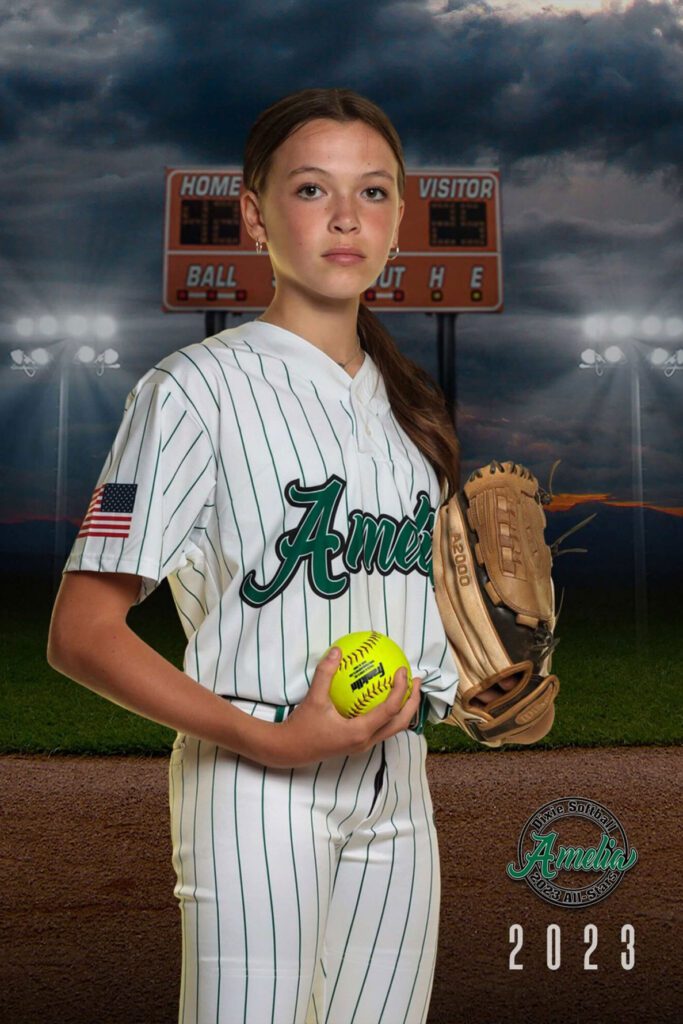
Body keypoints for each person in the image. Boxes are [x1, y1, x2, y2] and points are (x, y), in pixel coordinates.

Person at [48, 87, 464, 1024]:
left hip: (398, 780)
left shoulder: (415, 416)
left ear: (401, 218)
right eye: (313, 190)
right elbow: (81, 632)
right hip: (252, 778)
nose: (347, 218)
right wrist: (274, 742)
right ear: (254, 214)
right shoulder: (193, 391)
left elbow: (424, 617)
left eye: (374, 192)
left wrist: (490, 686)